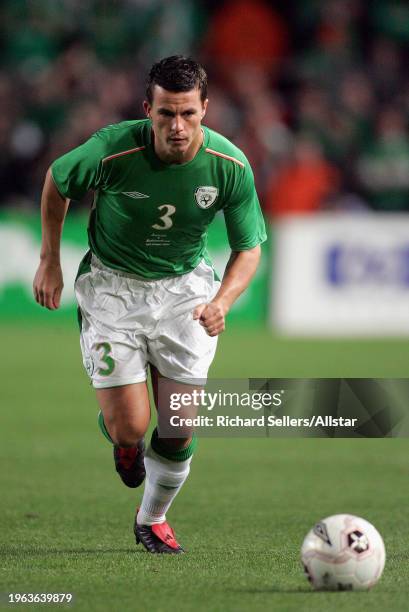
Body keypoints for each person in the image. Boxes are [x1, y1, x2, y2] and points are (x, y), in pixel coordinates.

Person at [33, 56, 266, 554]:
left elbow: (249, 248)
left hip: (184, 292)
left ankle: (152, 518)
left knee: (179, 422)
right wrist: (49, 260)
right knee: (131, 426)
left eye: (187, 114)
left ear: (205, 108)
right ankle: (123, 442)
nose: (177, 127)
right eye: (165, 114)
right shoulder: (112, 149)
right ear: (148, 109)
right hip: (113, 290)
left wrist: (223, 299)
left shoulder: (229, 166)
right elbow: (57, 181)